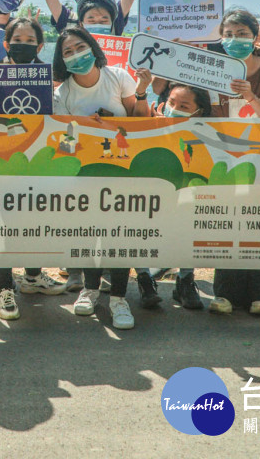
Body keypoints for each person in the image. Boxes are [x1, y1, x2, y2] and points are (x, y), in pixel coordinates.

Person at [52, 26, 152, 329]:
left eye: (80, 48)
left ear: (93, 48)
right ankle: (90, 289)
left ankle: (119, 298)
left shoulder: (118, 76)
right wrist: (86, 131)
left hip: (123, 170)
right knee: (88, 234)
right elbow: (63, 144)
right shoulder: (63, 93)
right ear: (61, 60)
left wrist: (142, 91)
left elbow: (140, 121)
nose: (75, 55)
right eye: (67, 52)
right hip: (85, 174)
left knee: (120, 235)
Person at [0, 17, 67, 320]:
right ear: (6, 43)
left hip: (37, 161)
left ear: (40, 46)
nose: (24, 45)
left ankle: (32, 276)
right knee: (2, 224)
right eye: (18, 39)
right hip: (1, 161)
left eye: (31, 41)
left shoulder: (51, 78)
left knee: (34, 220)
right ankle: (4, 288)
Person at [205, 9, 260, 317]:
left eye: (241, 34)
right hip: (224, 155)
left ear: (255, 37)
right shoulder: (213, 68)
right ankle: (225, 293)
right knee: (228, 219)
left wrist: (252, 97)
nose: (234, 40)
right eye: (228, 34)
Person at [153, 82, 214, 310]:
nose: (175, 108)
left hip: (190, 190)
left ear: (199, 111)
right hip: (158, 193)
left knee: (188, 225)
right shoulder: (152, 123)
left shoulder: (207, 132)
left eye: (184, 106)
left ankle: (186, 280)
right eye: (171, 102)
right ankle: (146, 278)